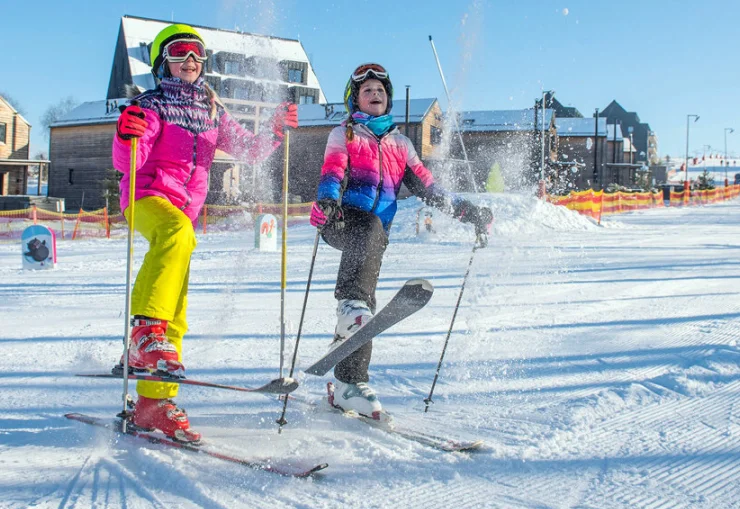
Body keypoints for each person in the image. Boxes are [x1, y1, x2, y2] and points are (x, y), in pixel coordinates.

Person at [112, 24, 298, 443]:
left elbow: (249, 151)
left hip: (183, 211)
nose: (191, 60)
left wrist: (273, 131)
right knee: (175, 233)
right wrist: (128, 135)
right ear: (163, 61)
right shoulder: (152, 104)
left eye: (197, 54)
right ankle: (144, 334)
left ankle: (153, 403)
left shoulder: (213, 110)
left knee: (176, 306)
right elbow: (128, 160)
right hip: (145, 196)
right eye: (180, 52)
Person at [309, 63, 492, 418]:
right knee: (362, 277)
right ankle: (349, 307)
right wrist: (327, 201)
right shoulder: (344, 135)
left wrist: (467, 211)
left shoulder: (401, 144)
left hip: (375, 235)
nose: (375, 94)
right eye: (367, 91)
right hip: (341, 219)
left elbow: (430, 187)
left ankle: (350, 383)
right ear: (355, 100)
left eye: (380, 90)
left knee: (367, 306)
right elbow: (332, 172)